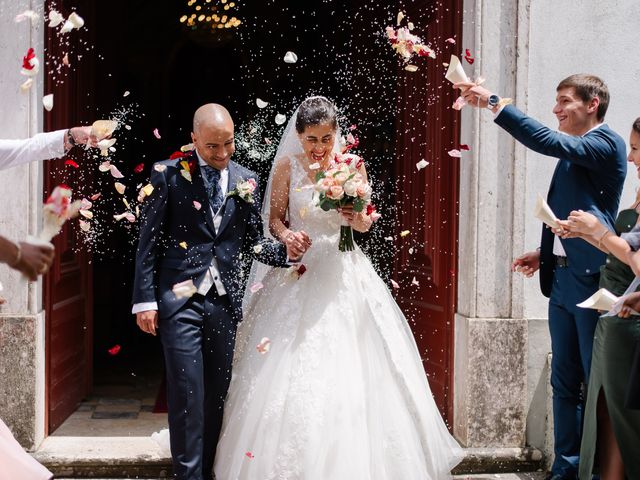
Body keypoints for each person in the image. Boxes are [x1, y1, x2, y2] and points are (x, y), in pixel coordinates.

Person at [214, 96, 463, 480]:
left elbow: (364, 225)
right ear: (298, 136)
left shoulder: (352, 166)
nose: (319, 148)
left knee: (355, 357)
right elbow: (273, 221)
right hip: (298, 271)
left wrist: (355, 215)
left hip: (344, 272)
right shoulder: (286, 167)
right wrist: (288, 236)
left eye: (326, 138)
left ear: (336, 134)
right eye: (312, 139)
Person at [455, 75, 627, 480]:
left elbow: (548, 142)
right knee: (563, 382)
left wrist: (496, 103)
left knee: (593, 382)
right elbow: (571, 208)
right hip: (562, 279)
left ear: (593, 103)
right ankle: (564, 471)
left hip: (592, 282)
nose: (556, 109)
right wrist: (546, 253)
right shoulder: (578, 148)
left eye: (564, 101)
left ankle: (596, 472)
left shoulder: (606, 143)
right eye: (555, 102)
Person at [132, 104, 308, 480]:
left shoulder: (247, 179)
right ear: (194, 139)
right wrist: (144, 300)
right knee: (187, 391)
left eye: (228, 144)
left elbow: (253, 244)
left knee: (216, 393)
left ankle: (209, 470)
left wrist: (287, 252)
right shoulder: (167, 175)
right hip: (178, 300)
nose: (223, 153)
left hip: (224, 302)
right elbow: (148, 243)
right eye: (213, 146)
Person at [557, 117, 640, 480]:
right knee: (604, 412)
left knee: (622, 418)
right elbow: (617, 251)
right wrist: (581, 234)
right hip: (615, 316)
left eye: (636, 148)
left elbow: (635, 258)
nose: (632, 157)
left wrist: (601, 233)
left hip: (629, 324)